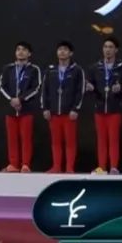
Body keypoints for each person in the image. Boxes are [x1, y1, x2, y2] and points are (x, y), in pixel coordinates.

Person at [87, 37, 122, 175]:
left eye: (111, 47)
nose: (107, 50)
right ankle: (101, 167)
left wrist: (121, 88)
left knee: (113, 139)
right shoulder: (95, 67)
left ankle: (113, 167)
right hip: (99, 108)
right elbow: (89, 85)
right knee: (101, 140)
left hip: (114, 109)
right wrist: (89, 87)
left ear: (116, 50)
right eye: (105, 47)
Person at [41, 41, 85, 174]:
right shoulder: (50, 70)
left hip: (69, 112)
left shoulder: (77, 70)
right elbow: (44, 90)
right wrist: (45, 108)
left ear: (71, 53)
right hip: (54, 112)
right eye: (60, 49)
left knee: (70, 141)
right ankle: (56, 166)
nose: (62, 52)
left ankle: (69, 167)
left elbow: (80, 91)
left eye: (65, 49)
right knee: (55, 141)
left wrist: (75, 109)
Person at [0, 41, 41, 173]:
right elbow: (1, 86)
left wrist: (20, 99)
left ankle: (25, 164)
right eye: (18, 49)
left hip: (26, 108)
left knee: (26, 137)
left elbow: (36, 87)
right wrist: (11, 99)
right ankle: (13, 164)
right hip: (11, 108)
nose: (20, 52)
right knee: (12, 138)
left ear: (29, 53)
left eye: (24, 50)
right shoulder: (8, 68)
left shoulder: (34, 69)